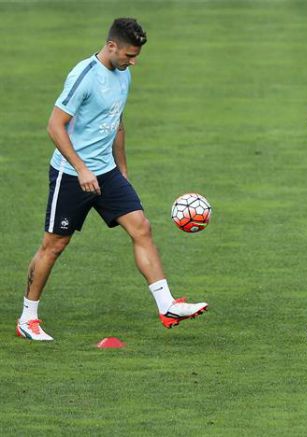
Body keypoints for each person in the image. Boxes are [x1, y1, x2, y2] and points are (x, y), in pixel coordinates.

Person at [18, 18, 208, 341]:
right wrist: (80, 168)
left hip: (106, 171)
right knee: (54, 245)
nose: (133, 62)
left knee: (141, 227)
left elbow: (117, 123)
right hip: (71, 173)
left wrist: (122, 170)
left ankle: (166, 305)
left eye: (136, 56)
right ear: (111, 46)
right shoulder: (85, 76)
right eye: (129, 55)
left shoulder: (124, 75)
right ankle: (27, 319)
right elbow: (54, 125)